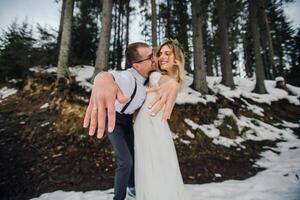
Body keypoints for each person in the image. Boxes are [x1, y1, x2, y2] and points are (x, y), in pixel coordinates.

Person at [83, 42, 181, 200]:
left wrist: (171, 82)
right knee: (125, 162)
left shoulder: (149, 76)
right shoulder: (128, 77)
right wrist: (102, 79)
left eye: (153, 54)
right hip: (113, 120)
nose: (154, 58)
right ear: (136, 65)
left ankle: (132, 187)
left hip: (128, 121)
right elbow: (111, 77)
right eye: (150, 57)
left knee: (134, 156)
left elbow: (157, 82)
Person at [134, 40, 187, 200]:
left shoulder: (174, 82)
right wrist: (171, 81)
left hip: (159, 130)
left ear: (176, 59)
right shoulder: (155, 75)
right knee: (151, 173)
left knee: (164, 171)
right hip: (147, 130)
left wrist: (174, 80)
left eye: (167, 53)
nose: (162, 57)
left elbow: (172, 82)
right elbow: (161, 80)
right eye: (160, 54)